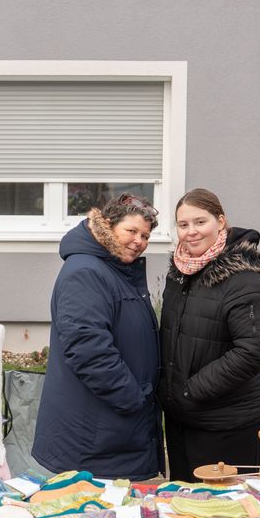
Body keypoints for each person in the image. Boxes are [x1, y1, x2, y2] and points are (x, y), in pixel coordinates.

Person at [32, 193, 163, 481]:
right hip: (95, 436)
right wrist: (133, 399)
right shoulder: (87, 272)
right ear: (108, 226)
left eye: (145, 235)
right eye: (131, 231)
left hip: (112, 429)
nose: (139, 241)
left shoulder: (116, 270)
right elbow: (88, 350)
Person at [158, 188, 260, 482]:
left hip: (227, 420)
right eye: (183, 225)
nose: (191, 232)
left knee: (224, 511)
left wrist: (191, 390)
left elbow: (253, 350)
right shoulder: (181, 273)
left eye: (200, 222)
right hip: (184, 417)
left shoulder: (242, 279)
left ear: (220, 222)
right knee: (185, 504)